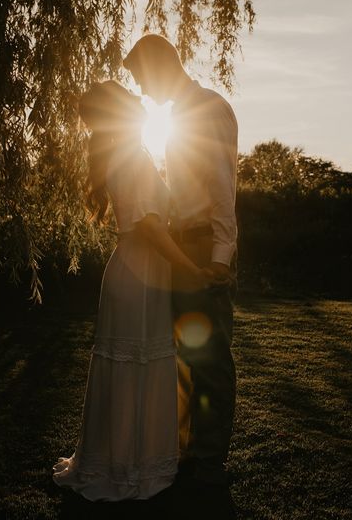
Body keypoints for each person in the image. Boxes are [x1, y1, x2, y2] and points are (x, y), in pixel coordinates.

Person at [52, 80, 211, 501]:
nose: (141, 101)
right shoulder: (132, 159)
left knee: (134, 366)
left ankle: (130, 459)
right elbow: (150, 227)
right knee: (134, 365)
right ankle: (129, 467)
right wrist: (190, 267)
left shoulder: (126, 156)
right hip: (138, 275)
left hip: (135, 273)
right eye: (131, 99)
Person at [123, 34, 238, 487]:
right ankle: (188, 448)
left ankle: (210, 459)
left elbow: (223, 189)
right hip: (181, 246)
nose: (144, 92)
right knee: (185, 353)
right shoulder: (175, 116)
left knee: (210, 356)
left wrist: (221, 258)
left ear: (158, 67)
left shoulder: (210, 108)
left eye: (142, 80)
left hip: (205, 245)